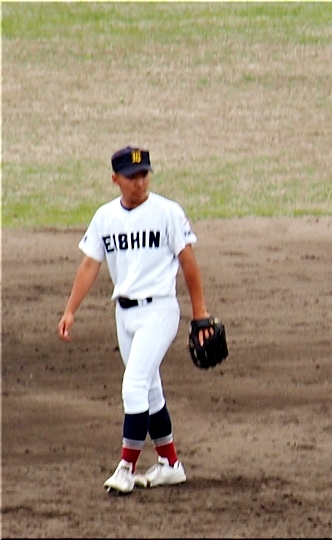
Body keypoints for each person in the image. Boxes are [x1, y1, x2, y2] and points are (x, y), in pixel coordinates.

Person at [58, 146, 216, 494]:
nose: (139, 182)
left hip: (159, 311)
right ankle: (170, 465)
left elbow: (188, 262)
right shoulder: (105, 217)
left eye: (144, 175)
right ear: (115, 179)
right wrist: (70, 309)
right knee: (150, 389)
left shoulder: (167, 212)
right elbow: (90, 264)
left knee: (133, 386)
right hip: (124, 314)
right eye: (131, 177)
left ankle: (126, 469)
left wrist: (200, 314)